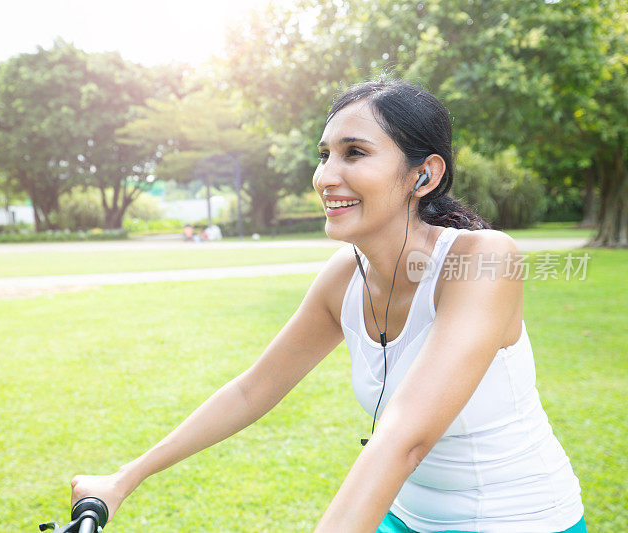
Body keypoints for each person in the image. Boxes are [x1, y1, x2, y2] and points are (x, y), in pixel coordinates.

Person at [70, 80, 586, 532]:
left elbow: (404, 439)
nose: (325, 176)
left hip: (519, 520)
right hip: (403, 518)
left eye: (354, 153)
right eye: (324, 155)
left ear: (423, 175)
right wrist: (122, 479)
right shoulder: (345, 276)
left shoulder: (482, 260)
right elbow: (253, 390)